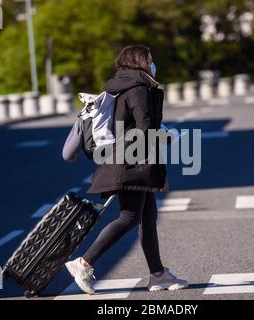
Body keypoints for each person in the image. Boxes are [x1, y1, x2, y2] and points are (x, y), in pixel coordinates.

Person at [64, 45, 188, 295]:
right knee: (129, 218)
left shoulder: (123, 85)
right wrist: (167, 137)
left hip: (131, 159)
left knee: (148, 217)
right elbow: (144, 127)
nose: (153, 64)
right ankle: (83, 263)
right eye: (151, 59)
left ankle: (158, 275)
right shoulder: (139, 88)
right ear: (141, 62)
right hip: (130, 163)